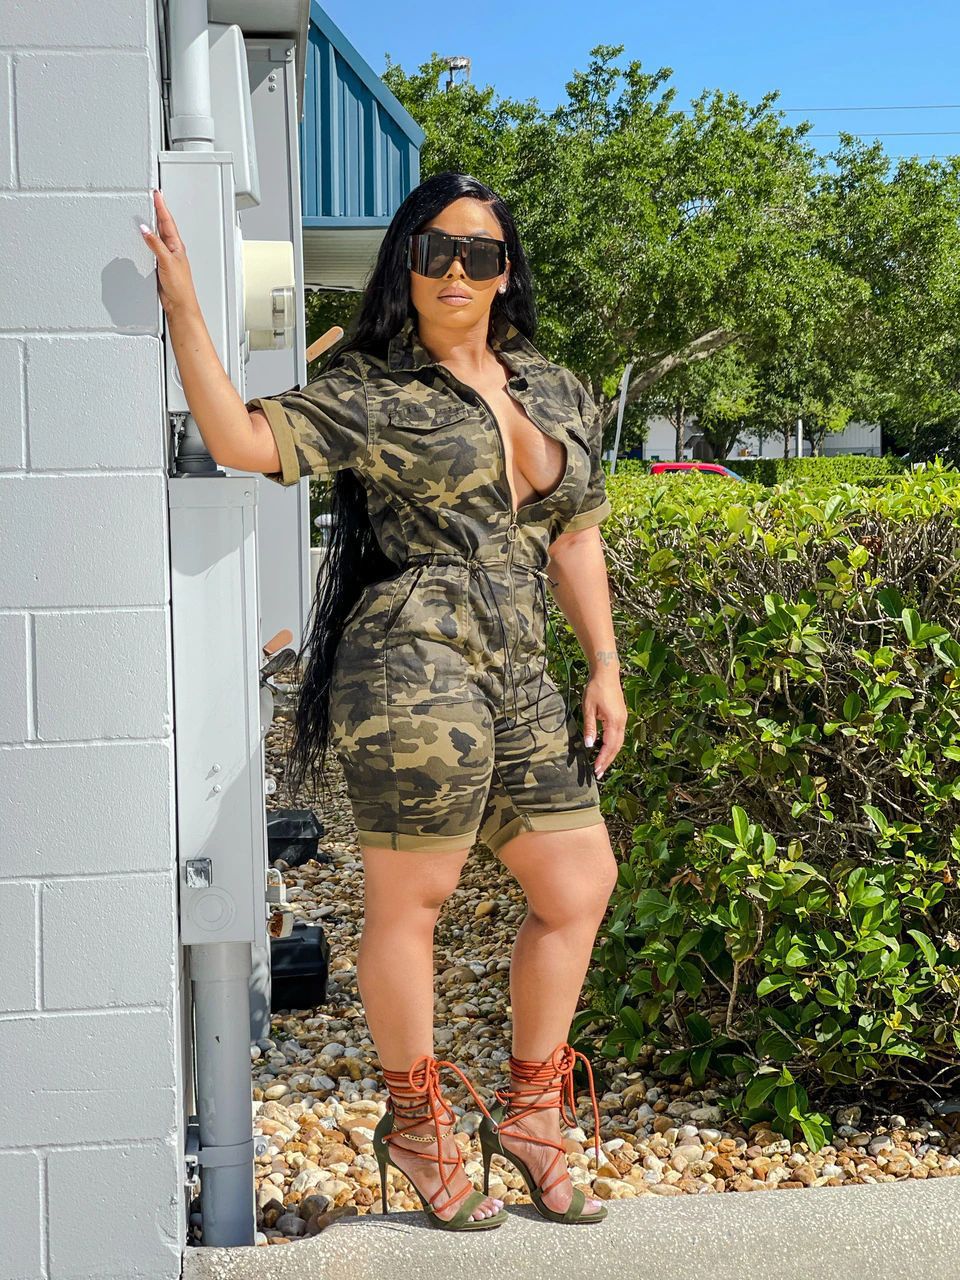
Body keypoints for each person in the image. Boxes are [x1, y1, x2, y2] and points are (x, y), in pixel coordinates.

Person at [141, 170, 626, 1231]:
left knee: (579, 879)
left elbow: (575, 535)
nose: (456, 271)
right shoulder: (372, 389)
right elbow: (241, 440)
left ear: (505, 273)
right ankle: (415, 1122)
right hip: (413, 658)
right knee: (415, 900)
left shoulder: (554, 387)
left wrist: (604, 663)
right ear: (406, 263)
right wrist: (183, 307)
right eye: (435, 250)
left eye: (478, 254)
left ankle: (533, 1113)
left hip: (521, 664)